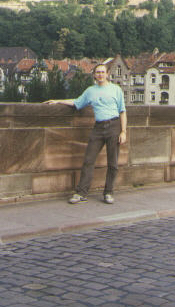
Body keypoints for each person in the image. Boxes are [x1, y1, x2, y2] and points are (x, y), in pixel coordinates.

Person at [45, 63, 127, 204]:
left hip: (114, 126)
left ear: (107, 74)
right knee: (88, 160)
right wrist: (58, 101)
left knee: (113, 163)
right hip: (98, 127)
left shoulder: (116, 90)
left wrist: (123, 131)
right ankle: (81, 193)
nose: (100, 75)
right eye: (97, 72)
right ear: (94, 75)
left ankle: (108, 192)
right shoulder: (90, 91)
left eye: (102, 72)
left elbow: (122, 111)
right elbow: (77, 102)